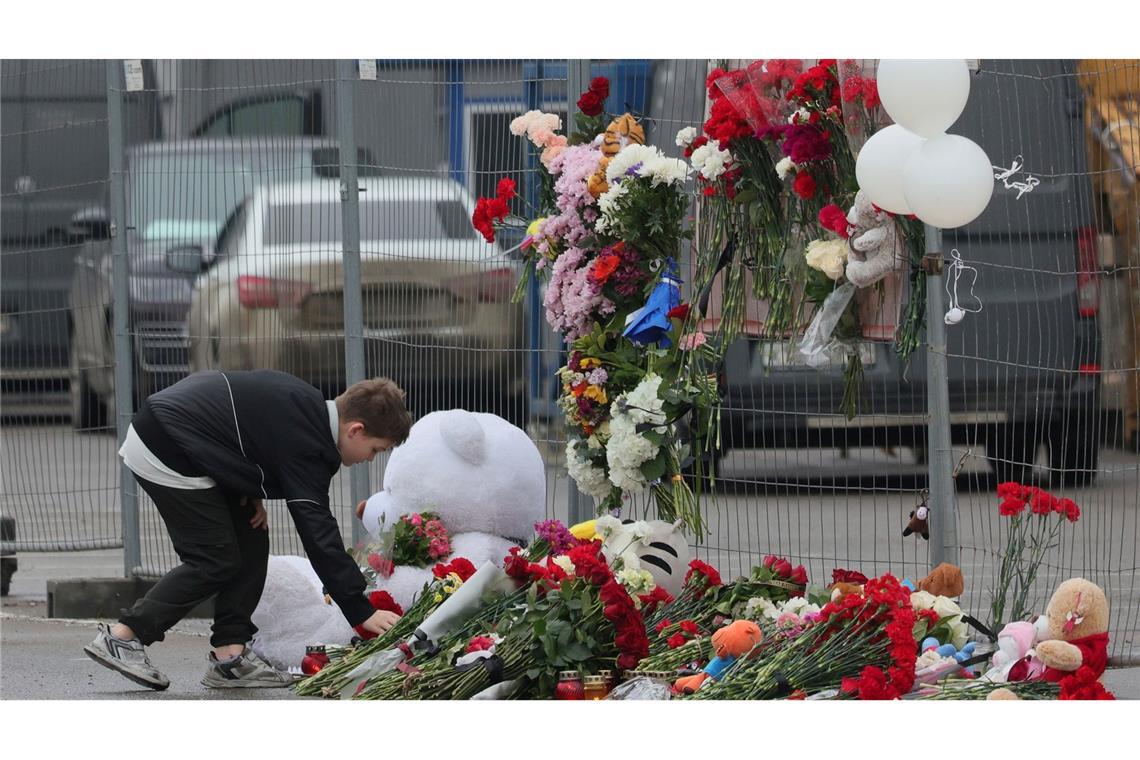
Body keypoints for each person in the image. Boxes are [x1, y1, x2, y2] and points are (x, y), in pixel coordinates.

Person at [83, 370, 412, 690]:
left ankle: (230, 657)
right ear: (355, 430)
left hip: (186, 439)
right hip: (167, 445)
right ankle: (123, 637)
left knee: (252, 538)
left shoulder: (307, 407)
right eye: (376, 450)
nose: (371, 460)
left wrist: (246, 485)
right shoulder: (308, 443)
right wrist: (359, 608)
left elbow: (246, 429)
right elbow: (317, 530)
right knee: (214, 559)